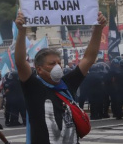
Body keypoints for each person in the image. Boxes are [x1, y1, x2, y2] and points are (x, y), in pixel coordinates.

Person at [14, 11, 107, 143]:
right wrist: (22, 31)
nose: (58, 67)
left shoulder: (66, 84)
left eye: (59, 63)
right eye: (52, 64)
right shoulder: (33, 88)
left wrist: (98, 29)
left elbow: (88, 58)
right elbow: (20, 62)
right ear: (39, 69)